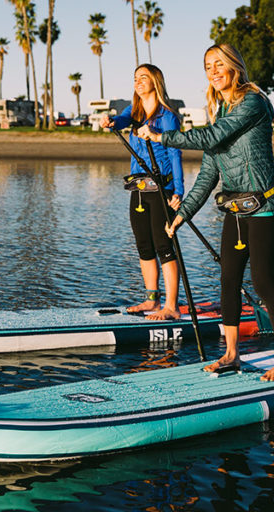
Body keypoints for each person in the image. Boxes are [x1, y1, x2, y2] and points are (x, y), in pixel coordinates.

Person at [136, 44, 274, 381]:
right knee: (228, 281)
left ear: (235, 66)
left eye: (219, 64)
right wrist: (182, 215)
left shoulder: (252, 102)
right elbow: (208, 174)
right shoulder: (220, 113)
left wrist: (163, 136)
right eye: (208, 66)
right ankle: (232, 355)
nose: (213, 71)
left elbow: (214, 136)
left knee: (263, 282)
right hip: (235, 208)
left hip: (264, 207)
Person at [100, 64, 185, 321]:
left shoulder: (167, 116)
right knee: (143, 245)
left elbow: (175, 152)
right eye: (135, 77)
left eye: (143, 77)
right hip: (138, 187)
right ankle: (151, 300)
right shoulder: (133, 111)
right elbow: (122, 120)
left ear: (156, 81)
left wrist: (178, 191)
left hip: (162, 187)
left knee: (163, 245)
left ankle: (171, 306)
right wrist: (111, 121)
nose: (138, 81)